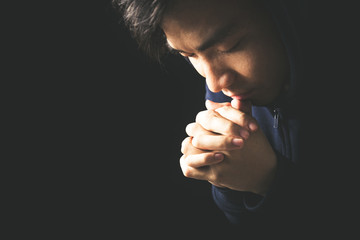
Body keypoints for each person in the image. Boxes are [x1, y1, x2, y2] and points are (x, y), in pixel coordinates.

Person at [112, 0, 356, 235]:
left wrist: (270, 181)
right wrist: (227, 178)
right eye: (189, 55)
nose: (214, 83)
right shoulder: (229, 88)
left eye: (229, 46)